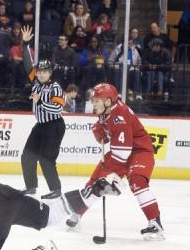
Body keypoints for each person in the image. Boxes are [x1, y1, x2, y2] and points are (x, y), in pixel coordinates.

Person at [63, 83, 165, 240]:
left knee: (136, 181)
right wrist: (100, 129)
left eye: (97, 100)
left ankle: (155, 224)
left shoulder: (120, 116)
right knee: (95, 180)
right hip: (122, 150)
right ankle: (78, 212)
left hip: (139, 151)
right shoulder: (106, 110)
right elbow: (109, 133)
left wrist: (107, 176)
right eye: (94, 100)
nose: (94, 103)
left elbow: (122, 155)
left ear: (108, 101)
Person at [20, 26, 66, 199]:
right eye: (39, 71)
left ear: (50, 73)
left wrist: (40, 101)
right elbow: (27, 64)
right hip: (40, 125)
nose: (41, 74)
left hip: (54, 127)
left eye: (44, 72)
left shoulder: (55, 88)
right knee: (27, 157)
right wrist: (25, 44)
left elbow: (58, 109)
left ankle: (56, 190)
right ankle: (31, 186)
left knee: (46, 160)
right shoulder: (36, 83)